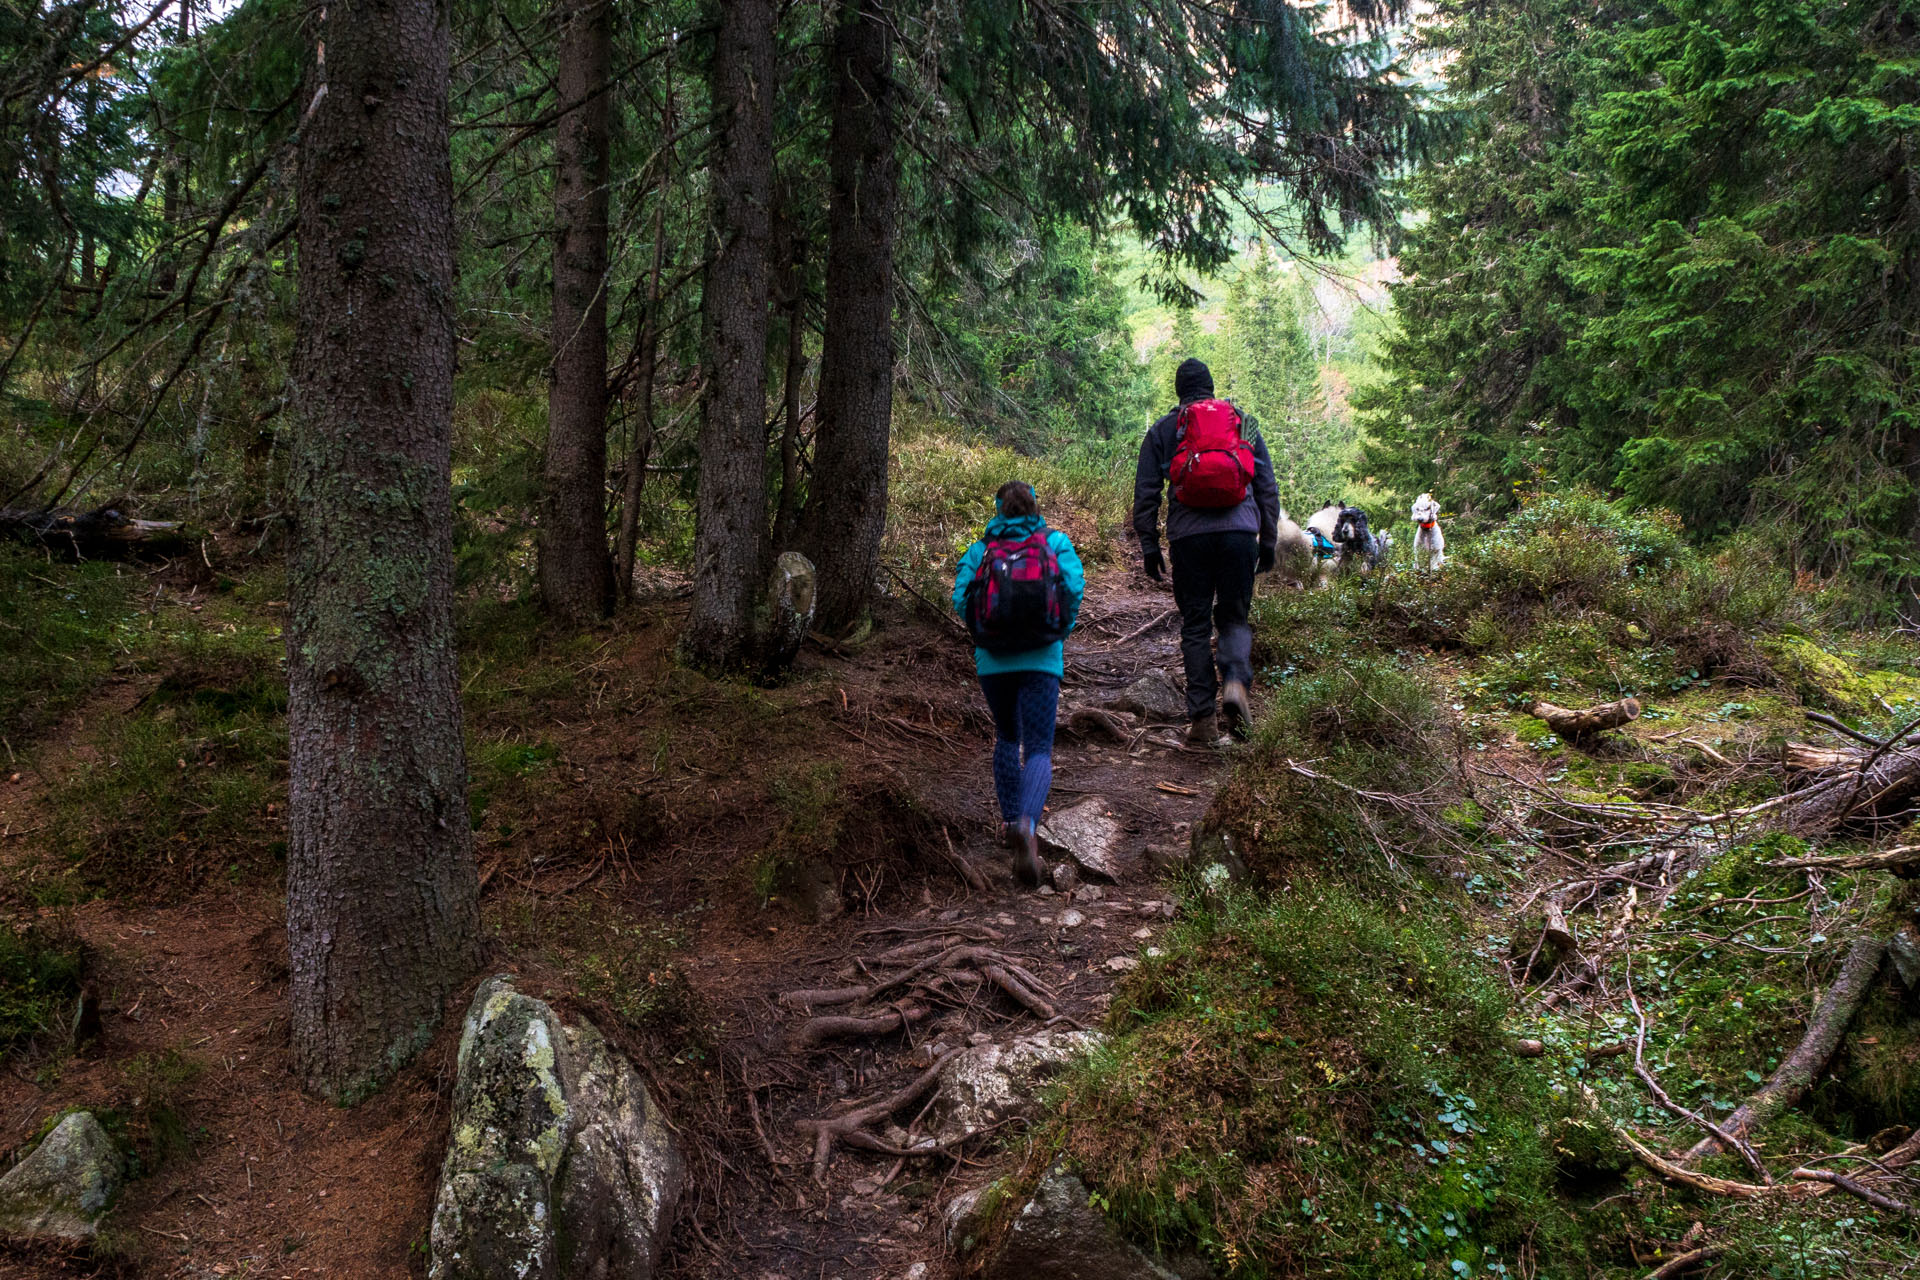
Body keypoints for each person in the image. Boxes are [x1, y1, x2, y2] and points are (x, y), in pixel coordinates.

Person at [1132, 357, 1281, 744]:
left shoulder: (1165, 428)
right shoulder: (1243, 421)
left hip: (1189, 538)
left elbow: (1146, 493)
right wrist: (1268, 540)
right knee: (1233, 619)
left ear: (1179, 391)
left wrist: (1149, 545)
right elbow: (1266, 484)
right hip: (1240, 533)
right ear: (1212, 387)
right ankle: (1235, 683)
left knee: (1196, 624)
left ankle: (1202, 720)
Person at [951, 481, 1086, 886]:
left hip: (993, 664)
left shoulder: (981, 551)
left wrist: (986, 635)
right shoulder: (1056, 542)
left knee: (1007, 737)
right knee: (1040, 748)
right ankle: (1028, 824)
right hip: (1042, 660)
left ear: (998, 511)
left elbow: (961, 599)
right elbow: (1073, 590)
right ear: (1034, 508)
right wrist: (1057, 632)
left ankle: (1011, 821)